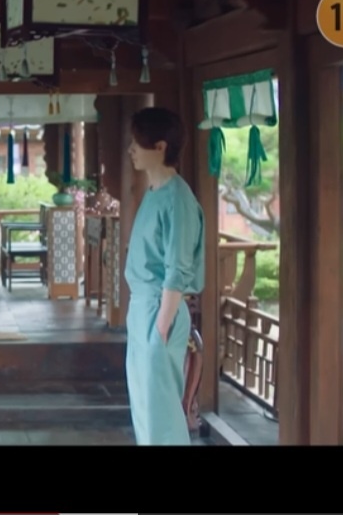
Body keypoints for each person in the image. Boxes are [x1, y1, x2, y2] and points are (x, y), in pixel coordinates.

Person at [123, 106, 205, 445]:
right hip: (143, 309)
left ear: (160, 147)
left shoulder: (178, 199)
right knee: (145, 411)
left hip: (161, 310)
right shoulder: (154, 191)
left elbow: (177, 268)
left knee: (161, 415)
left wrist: (161, 326)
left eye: (137, 143)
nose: (131, 149)